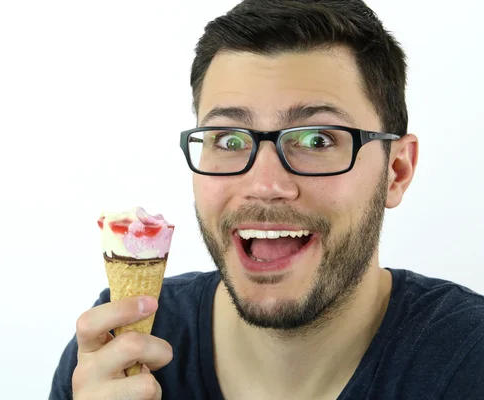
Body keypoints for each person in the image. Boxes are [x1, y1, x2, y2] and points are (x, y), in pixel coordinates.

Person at [49, 0, 484, 398]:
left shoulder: (469, 361)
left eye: (316, 139)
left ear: (397, 171)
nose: (265, 184)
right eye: (228, 138)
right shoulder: (117, 351)